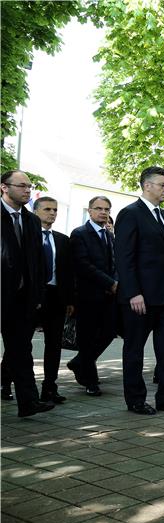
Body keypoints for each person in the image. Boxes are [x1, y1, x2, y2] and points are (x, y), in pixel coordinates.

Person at [115, 166, 164, 415]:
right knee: (135, 350)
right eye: (162, 185)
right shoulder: (130, 214)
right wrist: (133, 292)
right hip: (141, 297)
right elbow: (124, 258)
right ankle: (135, 399)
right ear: (147, 185)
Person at [0, 170, 53, 417]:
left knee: (21, 350)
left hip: (22, 299)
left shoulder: (31, 221)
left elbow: (38, 262)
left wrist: (38, 295)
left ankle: (28, 402)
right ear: (4, 187)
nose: (27, 190)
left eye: (30, 187)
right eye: (22, 186)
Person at [67, 196, 117, 397]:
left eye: (106, 209)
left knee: (109, 331)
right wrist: (110, 282)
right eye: (99, 208)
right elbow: (83, 265)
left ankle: (79, 362)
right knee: (87, 338)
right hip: (88, 295)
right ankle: (90, 380)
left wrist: (116, 281)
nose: (103, 212)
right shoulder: (80, 234)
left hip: (109, 295)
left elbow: (115, 263)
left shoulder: (110, 235)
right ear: (89, 210)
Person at [33, 197, 75, 404]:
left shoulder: (62, 239)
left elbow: (68, 272)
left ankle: (49, 387)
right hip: (31, 297)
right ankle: (7, 381)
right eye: (47, 209)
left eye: (55, 210)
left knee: (54, 345)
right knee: (22, 344)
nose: (52, 213)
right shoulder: (27, 236)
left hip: (56, 297)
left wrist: (69, 300)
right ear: (35, 211)